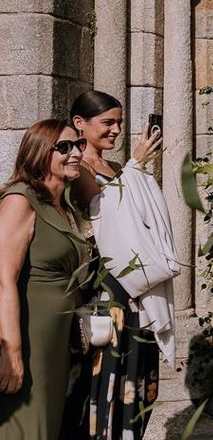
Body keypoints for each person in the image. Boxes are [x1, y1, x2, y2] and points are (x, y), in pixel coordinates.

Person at [63, 91, 173, 439]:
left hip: (134, 283)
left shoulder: (112, 167)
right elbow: (103, 213)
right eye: (107, 122)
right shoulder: (77, 166)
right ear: (80, 124)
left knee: (139, 376)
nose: (116, 130)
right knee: (108, 374)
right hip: (105, 285)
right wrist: (136, 167)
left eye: (120, 123)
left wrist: (133, 170)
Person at [0, 119, 89, 439]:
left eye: (78, 145)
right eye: (63, 147)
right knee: (24, 425)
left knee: (47, 426)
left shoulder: (64, 205)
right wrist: (11, 352)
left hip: (57, 342)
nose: (76, 153)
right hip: (28, 335)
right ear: (39, 153)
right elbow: (3, 280)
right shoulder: (20, 200)